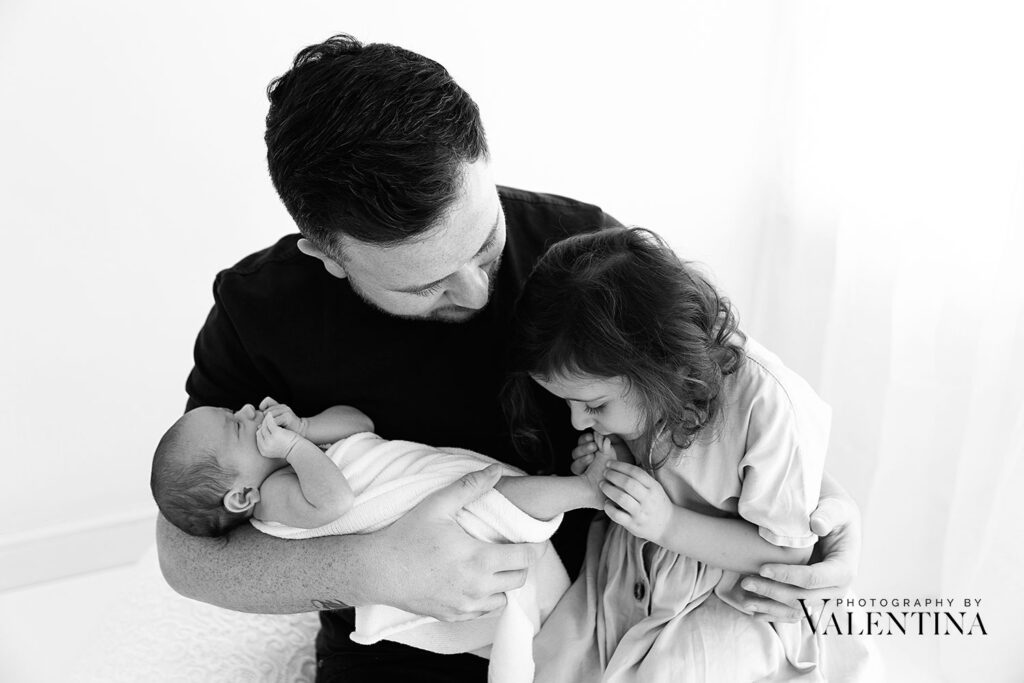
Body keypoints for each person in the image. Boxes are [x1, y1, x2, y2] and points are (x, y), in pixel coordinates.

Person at [157, 33, 863, 682]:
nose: (473, 289)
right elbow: (184, 552)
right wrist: (372, 569)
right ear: (328, 256)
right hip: (398, 636)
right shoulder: (261, 313)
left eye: (483, 242)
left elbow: (724, 402)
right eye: (424, 283)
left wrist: (830, 514)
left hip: (603, 611)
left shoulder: (584, 257)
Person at [504, 227, 871, 681]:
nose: (577, 421)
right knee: (541, 665)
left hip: (727, 595)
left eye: (594, 406)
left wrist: (666, 524)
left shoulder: (770, 406)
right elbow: (653, 456)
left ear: (660, 364)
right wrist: (611, 462)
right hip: (625, 571)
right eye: (568, 405)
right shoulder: (624, 379)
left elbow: (788, 557)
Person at [152, 397, 615, 682]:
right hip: (424, 531)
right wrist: (296, 449)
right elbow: (333, 501)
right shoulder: (274, 500)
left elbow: (361, 426)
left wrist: (307, 427)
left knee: (495, 494)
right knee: (497, 496)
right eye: (236, 424)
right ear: (241, 497)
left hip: (431, 508)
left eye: (235, 410)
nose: (249, 410)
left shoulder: (288, 456)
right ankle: (587, 490)